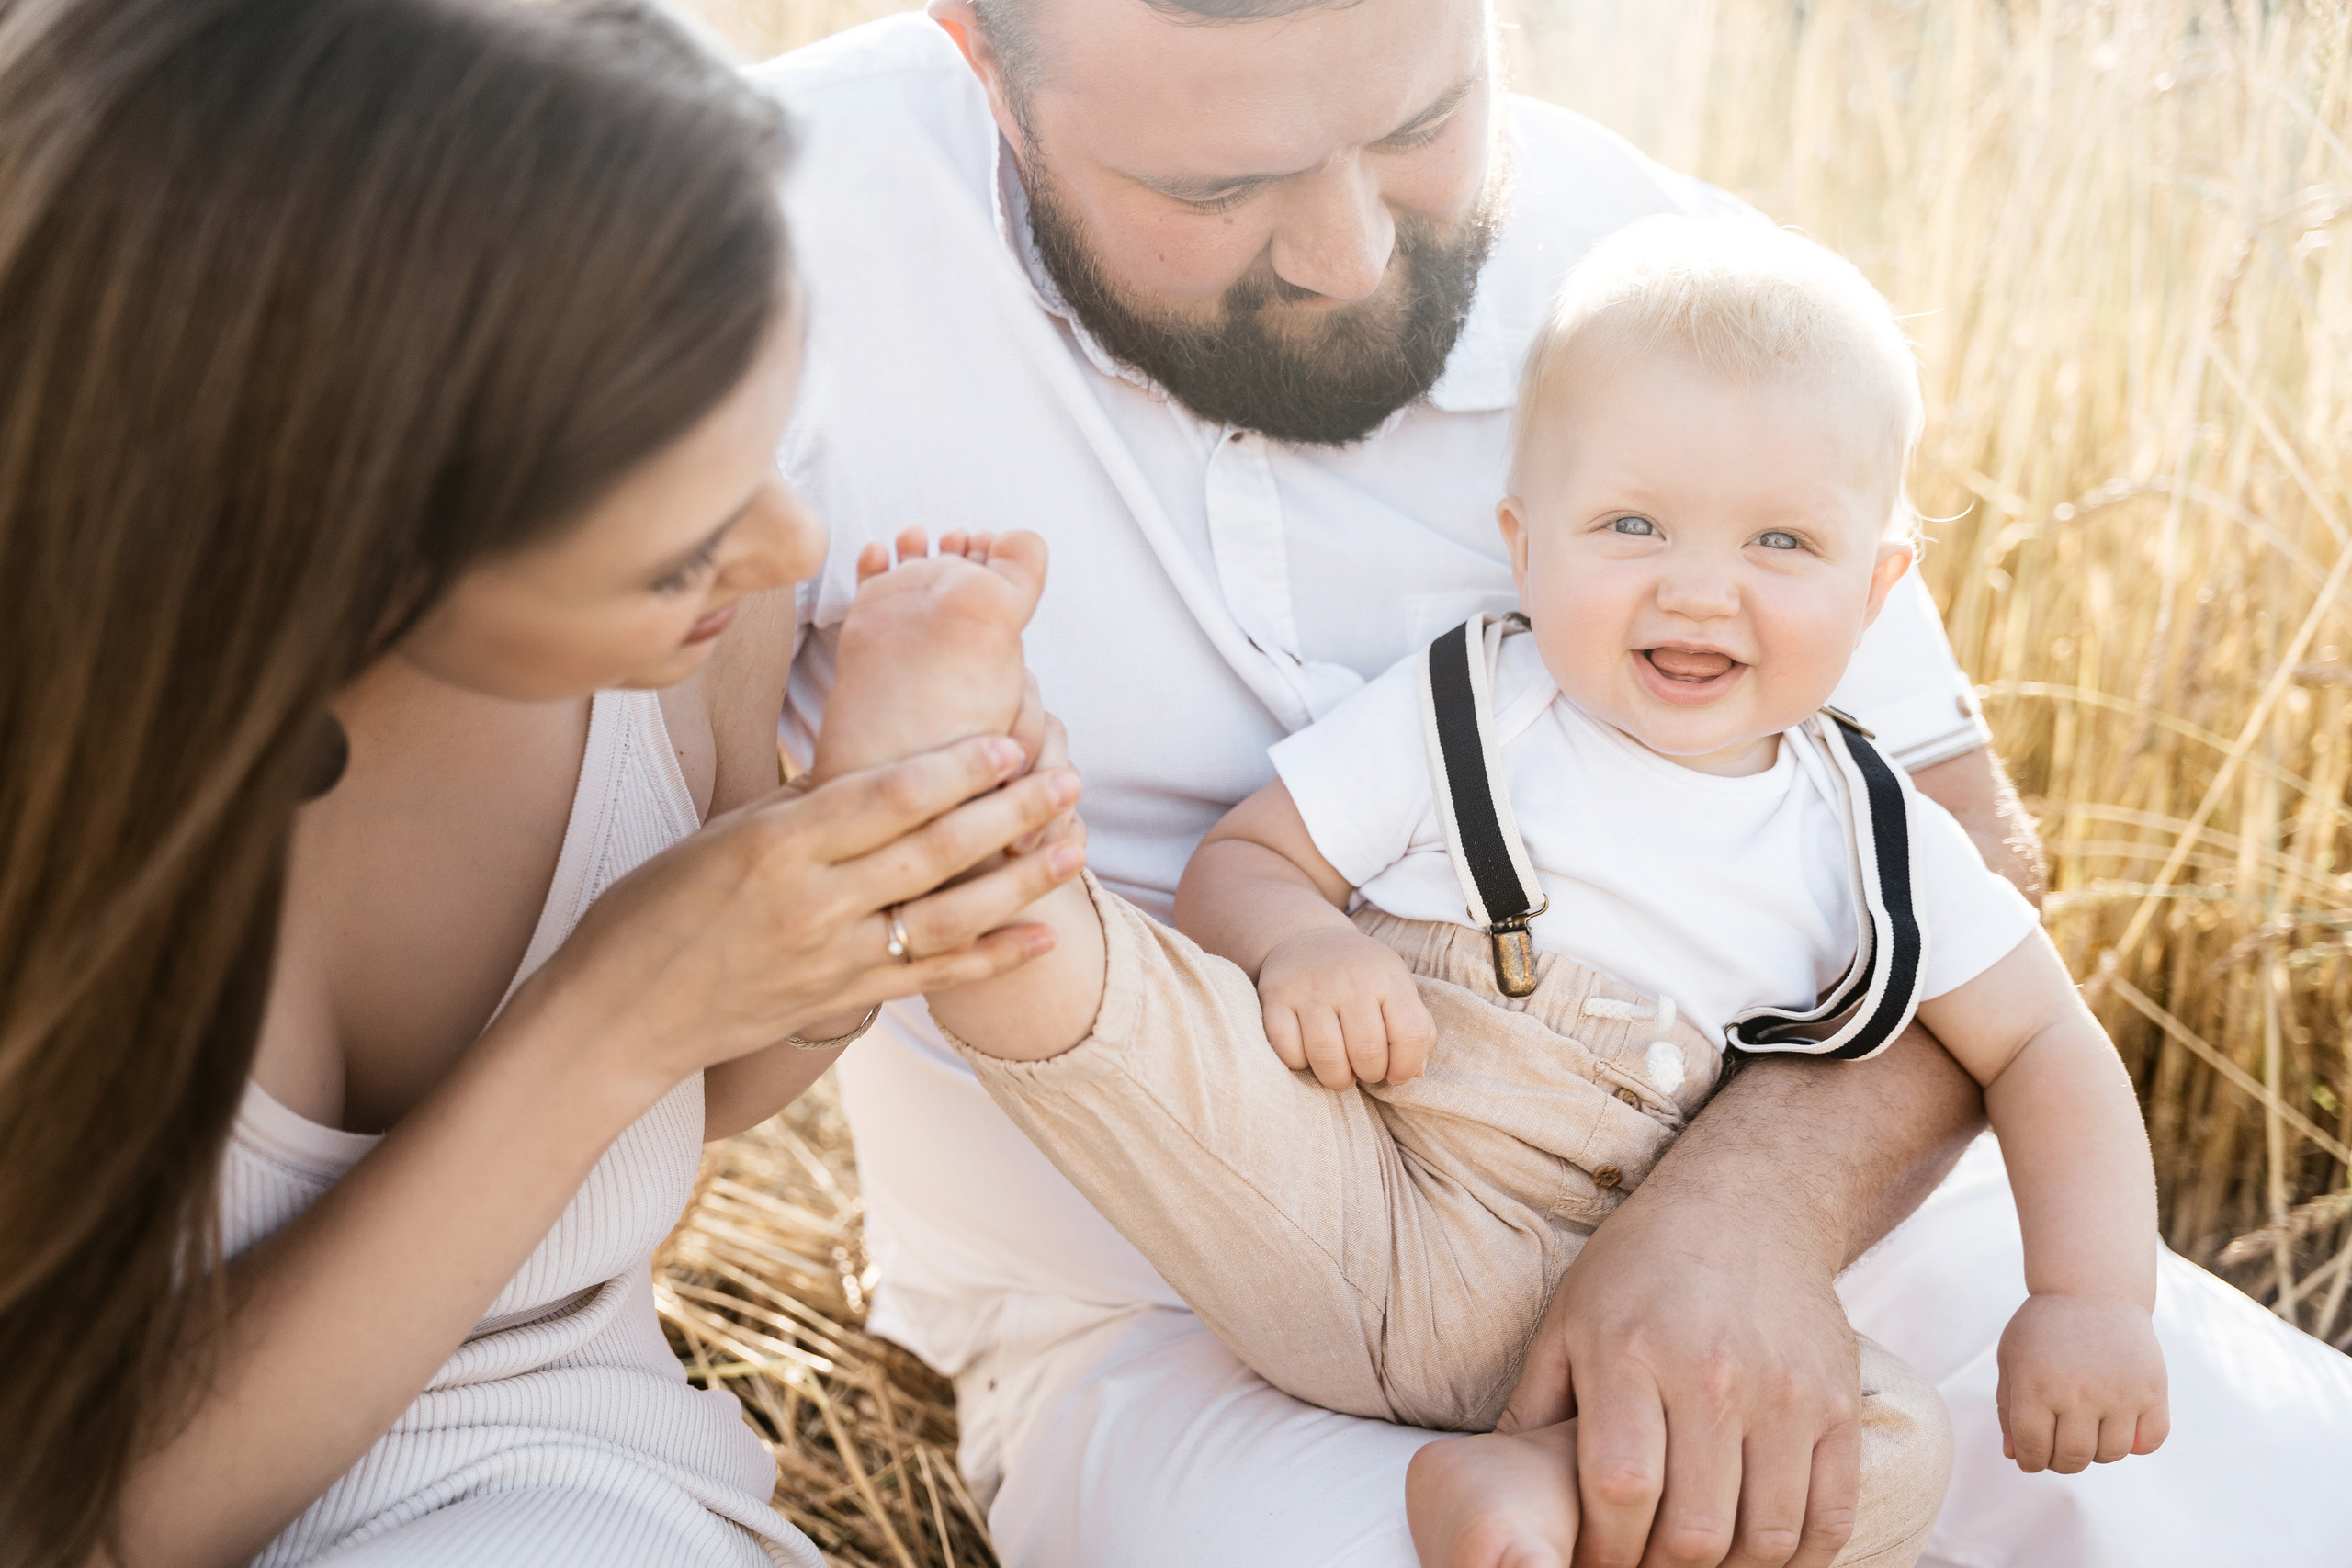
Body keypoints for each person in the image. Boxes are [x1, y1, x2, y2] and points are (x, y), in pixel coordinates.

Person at [756, 0, 2352, 1563]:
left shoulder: (1684, 294)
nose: (1351, 253)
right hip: (1166, 1290)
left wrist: (1755, 1215)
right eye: (1216, 188)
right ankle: (1003, 893)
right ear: (979, 49)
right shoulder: (751, 242)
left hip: (1817, 1237)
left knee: (2253, 1512)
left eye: (1422, 124)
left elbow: (1964, 863)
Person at [0, 4, 1082, 1566]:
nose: (789, 552)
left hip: (555, 1504)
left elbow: (698, 1095)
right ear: (345, 546)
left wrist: (849, 917)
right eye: (676, 549)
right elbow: (87, 1520)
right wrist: (615, 997)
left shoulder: (701, 644)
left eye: (777, 451)